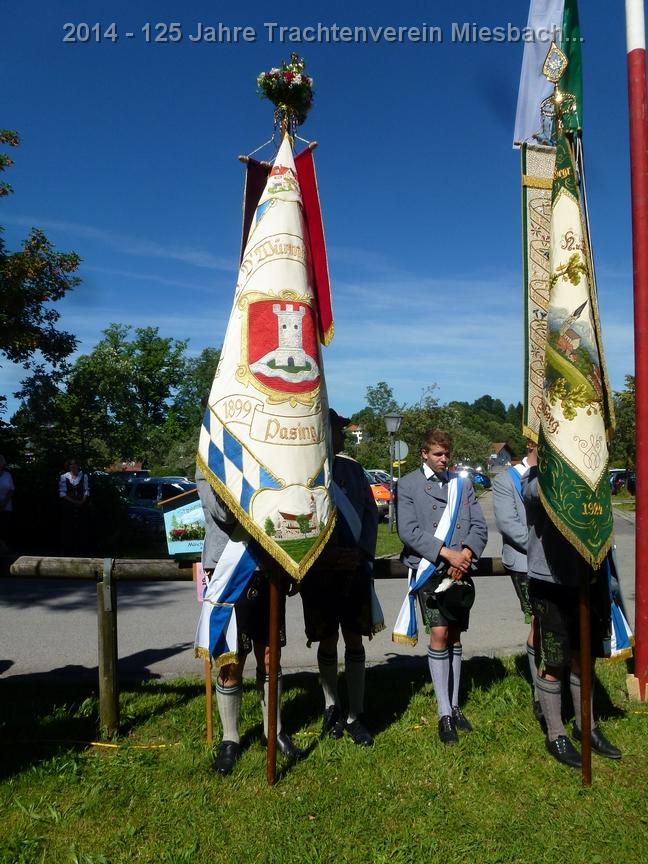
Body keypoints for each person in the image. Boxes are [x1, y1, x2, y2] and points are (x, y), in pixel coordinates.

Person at [195, 464, 304, 775]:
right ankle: (230, 739)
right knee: (231, 660)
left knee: (270, 656)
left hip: (270, 565)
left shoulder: (266, 461)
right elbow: (224, 514)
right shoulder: (211, 463)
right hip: (229, 568)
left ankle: (274, 731)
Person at [523, 452, 621, 768]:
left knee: (584, 656)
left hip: (587, 575)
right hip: (549, 580)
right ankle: (555, 734)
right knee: (554, 659)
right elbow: (532, 494)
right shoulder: (536, 475)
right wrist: (550, 461)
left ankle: (585, 726)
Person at [395, 428, 488, 744]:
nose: (443, 459)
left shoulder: (462, 484)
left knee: (456, 634)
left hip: (460, 568)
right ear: (424, 453)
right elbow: (408, 531)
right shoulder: (408, 484)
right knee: (439, 634)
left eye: (447, 454)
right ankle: (443, 711)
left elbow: (479, 525)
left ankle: (456, 704)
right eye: (437, 454)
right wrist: (447, 554)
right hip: (430, 567)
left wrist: (466, 554)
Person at [299, 409, 382, 746]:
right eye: (337, 429)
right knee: (327, 639)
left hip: (353, 568)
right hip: (319, 571)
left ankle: (355, 714)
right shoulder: (304, 472)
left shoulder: (354, 470)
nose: (343, 435)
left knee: (354, 638)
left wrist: (362, 553)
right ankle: (331, 707)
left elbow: (370, 515)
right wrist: (320, 556)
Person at [492, 442, 542, 720]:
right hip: (524, 561)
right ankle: (539, 691)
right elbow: (508, 524)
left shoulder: (553, 475)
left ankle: (555, 682)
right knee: (538, 621)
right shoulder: (505, 479)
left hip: (554, 561)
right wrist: (542, 548)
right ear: (532, 444)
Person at [58, 458, 90, 554]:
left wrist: (82, 501)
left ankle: (81, 548)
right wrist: (73, 501)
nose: (73, 467)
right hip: (68, 505)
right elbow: (62, 493)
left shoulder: (83, 476)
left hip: (82, 504)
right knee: (68, 526)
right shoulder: (64, 477)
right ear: (69, 467)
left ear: (78, 466)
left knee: (82, 526)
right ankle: (68, 548)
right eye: (71, 465)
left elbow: (86, 490)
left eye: (75, 465)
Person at [0, 454, 15, 552]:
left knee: (4, 527)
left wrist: (4, 501)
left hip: (6, 505)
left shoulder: (7, 475)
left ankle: (3, 547)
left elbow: (11, 489)